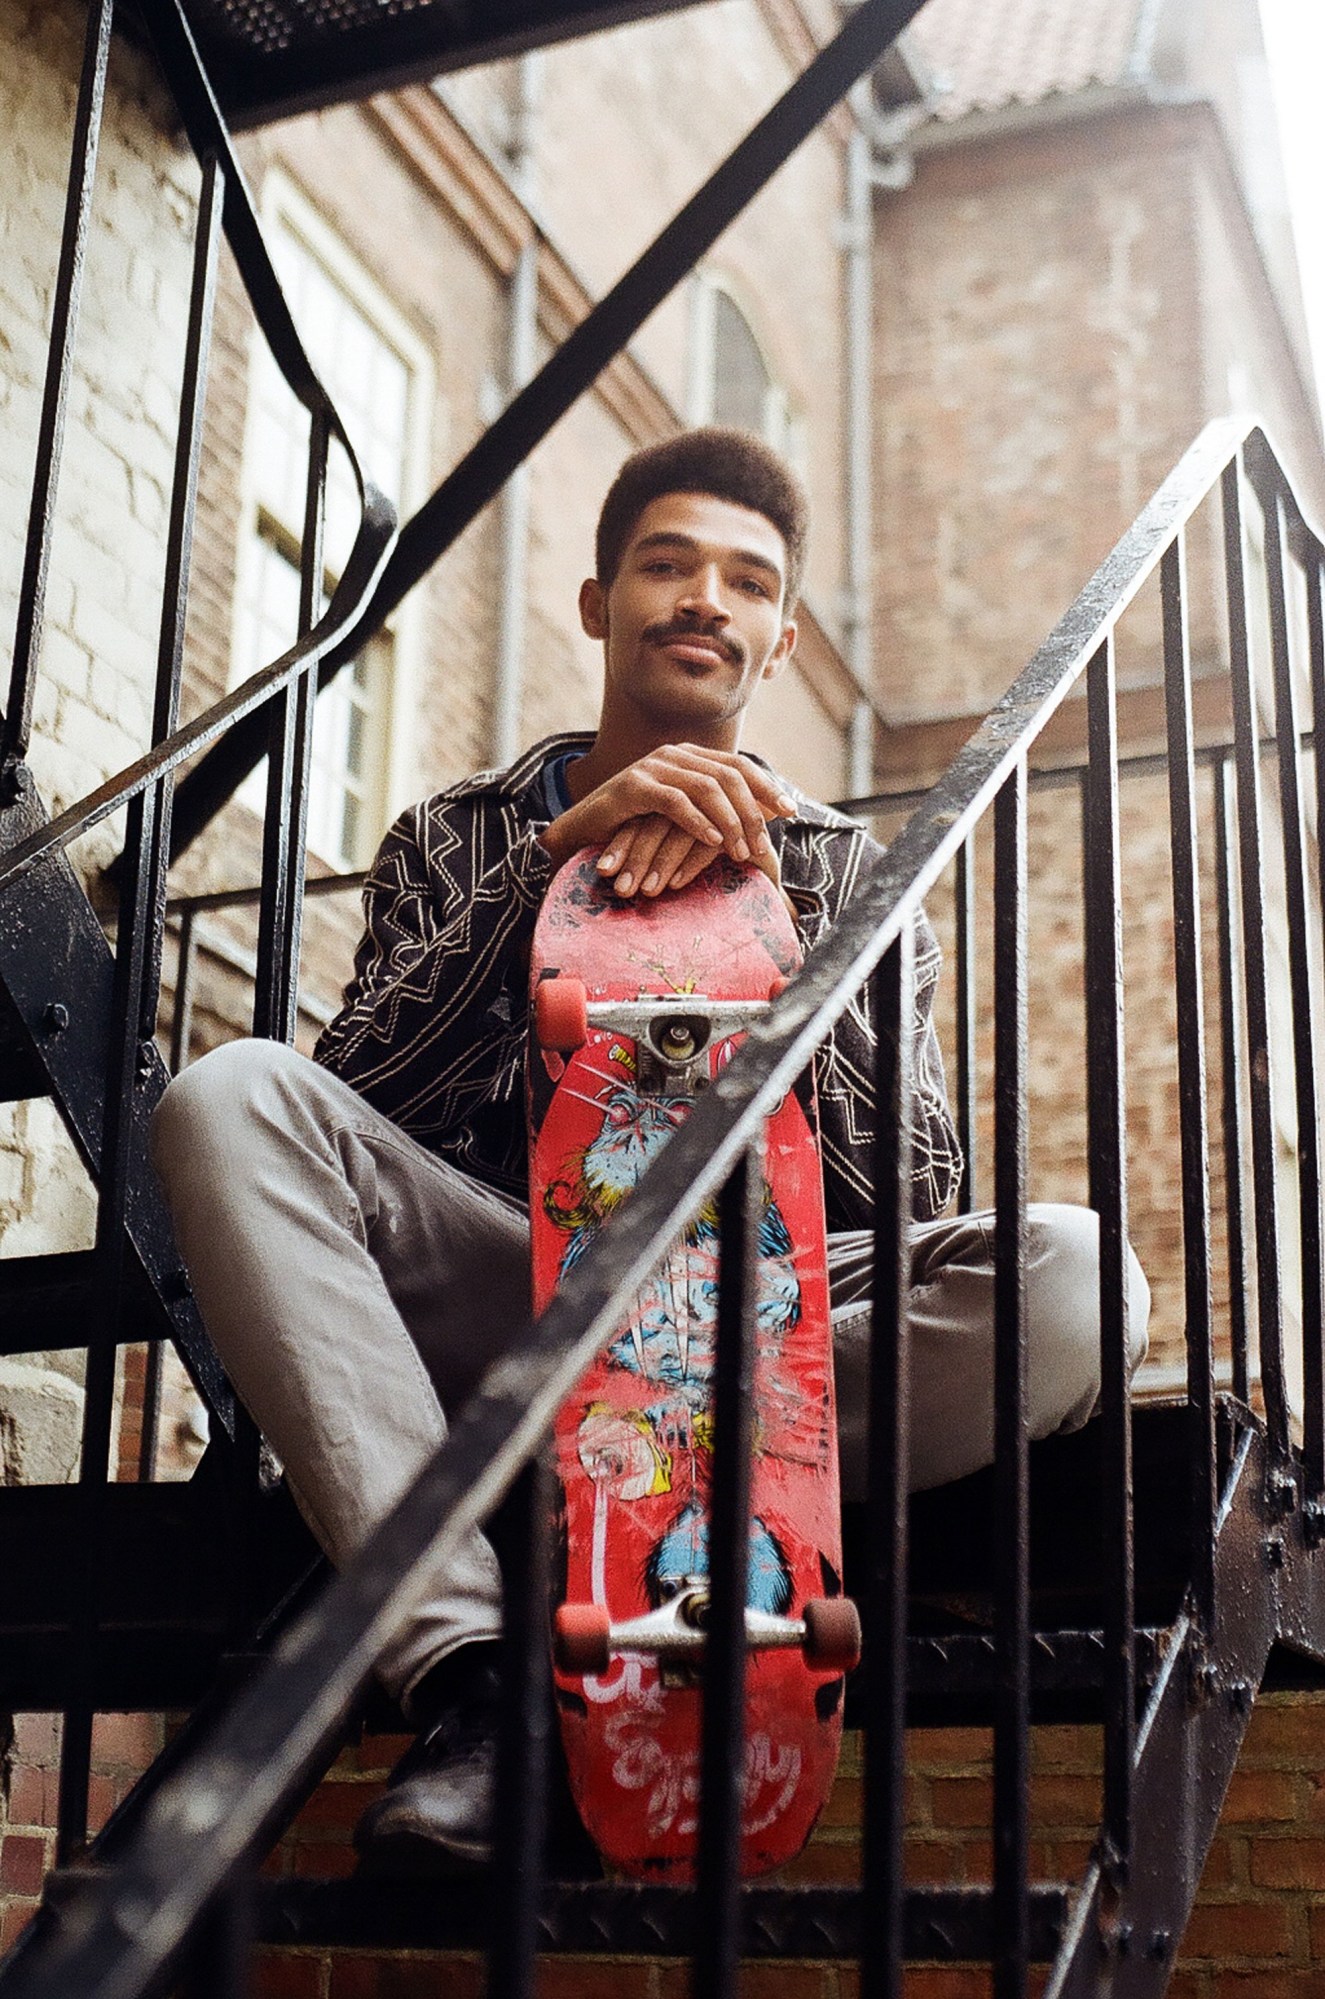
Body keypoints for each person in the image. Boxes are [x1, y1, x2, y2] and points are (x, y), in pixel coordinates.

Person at [151, 427, 1149, 1872]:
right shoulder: (458, 831)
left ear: (778, 638)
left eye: (745, 581)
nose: (704, 598)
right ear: (597, 599)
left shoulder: (852, 868)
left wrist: (806, 953)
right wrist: (547, 866)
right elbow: (364, 1096)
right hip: (516, 1278)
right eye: (667, 564)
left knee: (1079, 1281)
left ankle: (608, 1484)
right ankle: (474, 1670)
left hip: (761, 1314)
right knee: (227, 1098)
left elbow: (912, 1196)